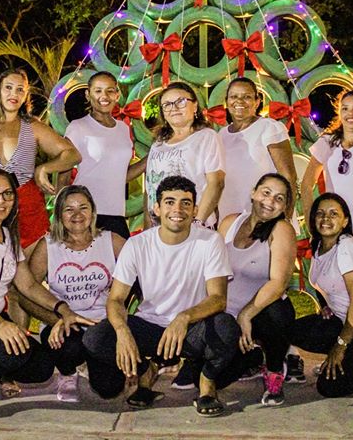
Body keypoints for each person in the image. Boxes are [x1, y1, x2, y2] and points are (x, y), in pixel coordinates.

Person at [0, 167, 94, 420]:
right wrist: (0, 325)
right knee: (12, 349)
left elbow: (29, 286)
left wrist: (63, 310)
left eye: (7, 194)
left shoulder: (8, 236)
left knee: (41, 367)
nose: (0, 200)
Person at [83, 175, 240, 418]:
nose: (177, 209)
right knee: (96, 338)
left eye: (185, 203)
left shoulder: (210, 241)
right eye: (169, 202)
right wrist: (123, 332)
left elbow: (218, 298)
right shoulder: (137, 244)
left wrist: (184, 317)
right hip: (151, 325)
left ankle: (206, 382)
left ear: (195, 210)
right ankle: (147, 370)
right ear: (156, 208)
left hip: (191, 328)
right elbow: (116, 299)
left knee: (226, 328)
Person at [0, 67, 80, 329]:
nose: (14, 94)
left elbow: (71, 154)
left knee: (25, 285)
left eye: (20, 89)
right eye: (8, 87)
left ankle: (30, 339)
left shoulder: (32, 127)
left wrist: (44, 168)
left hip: (28, 211)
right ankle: (9, 340)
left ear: (26, 96)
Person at [294, 89, 353, 382]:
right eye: (346, 108)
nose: (352, 114)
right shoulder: (328, 142)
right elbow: (306, 184)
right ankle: (343, 348)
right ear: (339, 112)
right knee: (336, 298)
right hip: (334, 233)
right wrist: (312, 223)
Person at [26, 185, 126, 401]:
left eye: (83, 207)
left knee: (109, 389)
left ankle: (92, 361)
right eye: (69, 209)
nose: (77, 215)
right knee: (68, 347)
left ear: (93, 211)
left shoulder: (111, 240)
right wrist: (55, 320)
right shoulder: (48, 246)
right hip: (64, 323)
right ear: (59, 214)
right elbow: (26, 294)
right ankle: (68, 373)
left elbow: (142, 272)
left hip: (102, 322)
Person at [288, 193, 353, 398]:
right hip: (345, 324)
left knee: (329, 387)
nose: (326, 218)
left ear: (345, 221)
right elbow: (326, 282)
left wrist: (339, 347)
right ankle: (350, 355)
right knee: (291, 329)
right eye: (320, 213)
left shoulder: (347, 247)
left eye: (334, 214)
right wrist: (327, 305)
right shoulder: (319, 246)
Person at [216, 173, 296, 406]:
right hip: (228, 314)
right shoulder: (229, 223)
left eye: (279, 198)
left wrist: (246, 315)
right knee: (215, 379)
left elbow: (278, 283)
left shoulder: (282, 229)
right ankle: (253, 357)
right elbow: (212, 272)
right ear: (253, 193)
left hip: (261, 312)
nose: (270, 201)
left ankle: (274, 369)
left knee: (278, 313)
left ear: (284, 207)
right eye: (266, 192)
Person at [61, 71, 143, 239]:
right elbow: (64, 175)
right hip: (85, 215)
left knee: (123, 256)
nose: (104, 96)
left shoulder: (123, 128)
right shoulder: (78, 127)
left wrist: (150, 158)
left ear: (117, 95)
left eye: (109, 91)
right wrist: (62, 214)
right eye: (98, 91)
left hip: (116, 213)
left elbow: (121, 175)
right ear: (88, 94)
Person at [143, 82, 225, 229]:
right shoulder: (158, 144)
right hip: (161, 228)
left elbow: (216, 183)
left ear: (195, 106)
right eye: (167, 104)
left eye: (180, 102)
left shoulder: (206, 137)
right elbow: (149, 187)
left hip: (192, 224)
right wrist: (148, 225)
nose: (174, 108)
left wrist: (197, 223)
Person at [217, 77, 297, 219]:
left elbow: (288, 176)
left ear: (257, 101)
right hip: (229, 215)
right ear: (227, 102)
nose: (239, 101)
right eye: (234, 96)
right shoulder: (221, 135)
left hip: (265, 215)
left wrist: (284, 218)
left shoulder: (269, 127)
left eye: (247, 97)